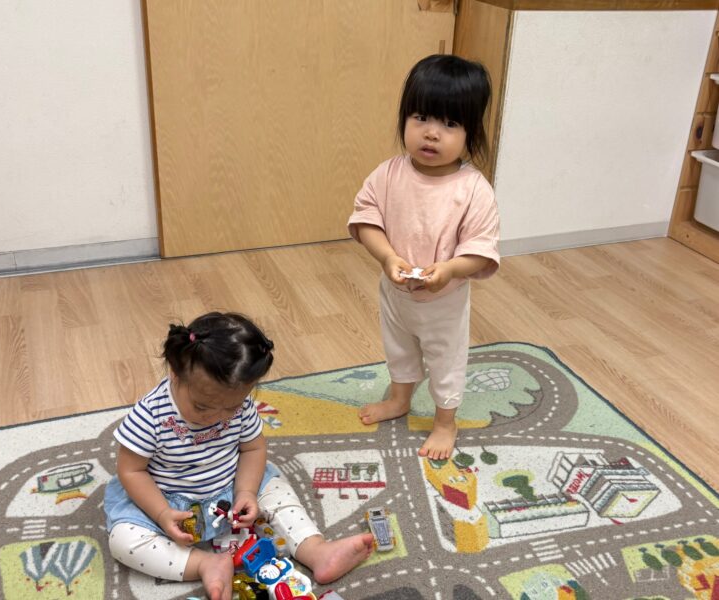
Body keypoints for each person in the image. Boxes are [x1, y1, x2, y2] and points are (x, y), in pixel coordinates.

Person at [103, 312, 374, 600]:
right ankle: (204, 564)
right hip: (168, 498)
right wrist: (161, 513)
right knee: (123, 541)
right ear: (175, 372)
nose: (217, 417)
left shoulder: (239, 404)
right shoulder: (150, 415)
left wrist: (246, 491)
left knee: (277, 489)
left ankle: (315, 549)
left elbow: (252, 448)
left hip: (231, 485)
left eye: (230, 408)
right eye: (202, 407)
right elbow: (131, 471)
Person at [347, 54, 500, 461]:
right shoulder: (388, 174)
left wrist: (450, 269)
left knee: (445, 360)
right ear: (404, 118)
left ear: (471, 132)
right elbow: (366, 219)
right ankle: (400, 399)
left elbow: (480, 248)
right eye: (421, 118)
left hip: (443, 301)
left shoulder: (473, 190)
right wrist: (387, 257)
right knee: (398, 348)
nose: (431, 133)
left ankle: (445, 421)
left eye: (449, 123)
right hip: (395, 291)